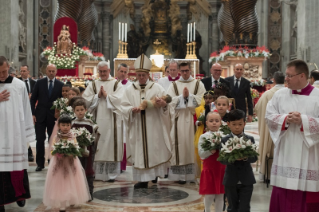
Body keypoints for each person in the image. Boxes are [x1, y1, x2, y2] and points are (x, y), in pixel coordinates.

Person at [266, 60, 319, 211]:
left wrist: (303, 121)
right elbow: (269, 117)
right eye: (285, 75)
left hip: (310, 155)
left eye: (289, 75)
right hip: (286, 153)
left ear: (302, 76)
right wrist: (285, 119)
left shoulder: (318, 95)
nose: (286, 79)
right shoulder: (279, 95)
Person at [121, 54, 172, 189]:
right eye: (139, 75)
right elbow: (123, 106)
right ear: (136, 75)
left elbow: (166, 104)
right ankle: (143, 180)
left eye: (143, 75)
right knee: (140, 151)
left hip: (153, 124)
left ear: (148, 74)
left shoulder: (157, 88)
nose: (141, 77)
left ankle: (154, 175)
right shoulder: (130, 89)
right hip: (137, 125)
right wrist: (131, 110)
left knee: (154, 149)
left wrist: (162, 104)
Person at [0, 56, 34, 212]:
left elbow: (26, 110)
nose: (1, 75)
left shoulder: (19, 85)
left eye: (4, 71)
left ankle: (19, 196)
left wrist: (27, 134)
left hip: (14, 134)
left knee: (16, 168)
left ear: (9, 69)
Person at [82, 61, 124, 182]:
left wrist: (107, 96)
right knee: (97, 145)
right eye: (100, 71)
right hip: (96, 120)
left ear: (109, 71)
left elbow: (121, 100)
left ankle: (111, 175)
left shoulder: (116, 84)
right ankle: (96, 173)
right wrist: (97, 96)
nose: (102, 73)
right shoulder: (93, 84)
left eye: (105, 71)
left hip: (112, 122)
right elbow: (85, 100)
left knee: (110, 145)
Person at [167, 62, 206, 184]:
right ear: (179, 71)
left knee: (191, 145)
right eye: (182, 71)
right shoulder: (174, 85)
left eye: (187, 71)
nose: (184, 73)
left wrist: (189, 96)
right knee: (180, 145)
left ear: (190, 70)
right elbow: (169, 101)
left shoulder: (198, 84)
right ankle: (180, 177)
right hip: (178, 120)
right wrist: (181, 98)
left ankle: (192, 176)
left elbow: (203, 100)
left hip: (193, 119)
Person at [43, 115, 90, 212]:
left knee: (71, 180)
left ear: (71, 125)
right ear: (59, 126)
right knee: (60, 182)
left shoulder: (72, 136)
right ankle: (62, 203)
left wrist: (71, 151)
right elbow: (52, 150)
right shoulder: (57, 137)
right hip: (59, 163)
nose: (65, 127)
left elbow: (76, 147)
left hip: (70, 162)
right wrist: (58, 151)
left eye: (68, 125)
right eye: (63, 125)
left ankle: (71, 199)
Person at [220, 109, 257, 212]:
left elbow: (254, 158)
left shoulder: (249, 139)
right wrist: (233, 158)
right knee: (232, 207)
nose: (237, 127)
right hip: (231, 179)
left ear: (244, 123)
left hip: (247, 179)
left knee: (245, 208)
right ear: (228, 124)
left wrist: (245, 157)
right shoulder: (225, 140)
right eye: (234, 124)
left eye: (240, 124)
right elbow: (222, 160)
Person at [31, 64, 64, 171]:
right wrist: (33, 113)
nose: (51, 73)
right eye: (49, 71)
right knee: (40, 139)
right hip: (40, 115)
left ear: (56, 71)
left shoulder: (60, 84)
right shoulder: (39, 83)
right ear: (46, 71)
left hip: (53, 116)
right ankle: (40, 163)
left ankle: (51, 162)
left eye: (53, 71)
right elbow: (33, 99)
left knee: (52, 139)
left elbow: (63, 101)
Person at [255, 71, 285, 181]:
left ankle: (268, 174)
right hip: (285, 130)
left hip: (269, 132)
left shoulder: (267, 94)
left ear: (274, 80)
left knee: (269, 149)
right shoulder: (290, 93)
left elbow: (257, 109)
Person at [71, 98, 98, 201]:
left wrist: (87, 141)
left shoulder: (89, 122)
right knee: (77, 170)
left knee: (88, 169)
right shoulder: (73, 122)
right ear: (74, 111)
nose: (80, 112)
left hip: (88, 151)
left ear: (86, 110)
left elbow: (93, 137)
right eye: (77, 110)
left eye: (82, 110)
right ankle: (78, 192)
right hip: (76, 151)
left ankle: (89, 192)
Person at [198, 112, 226, 212]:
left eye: (216, 121)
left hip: (221, 169)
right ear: (206, 123)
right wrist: (210, 151)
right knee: (209, 194)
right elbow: (201, 154)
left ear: (220, 123)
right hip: (209, 168)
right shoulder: (204, 137)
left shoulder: (224, 136)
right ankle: (207, 210)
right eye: (211, 121)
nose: (214, 123)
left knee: (220, 195)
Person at [194, 90, 214, 178]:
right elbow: (195, 121)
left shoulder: (214, 108)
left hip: (213, 132)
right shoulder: (199, 109)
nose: (208, 100)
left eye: (210, 98)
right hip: (202, 132)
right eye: (206, 98)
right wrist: (199, 122)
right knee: (201, 153)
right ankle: (202, 173)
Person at [116, 63, 132, 173]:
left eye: (125, 72)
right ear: (117, 71)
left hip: (125, 115)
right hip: (115, 114)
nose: (123, 74)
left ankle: (122, 165)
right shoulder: (112, 84)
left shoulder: (131, 85)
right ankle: (116, 164)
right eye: (121, 71)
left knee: (124, 139)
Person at [19, 65, 36, 162]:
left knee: (28, 132)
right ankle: (28, 151)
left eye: (24, 71)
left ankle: (28, 150)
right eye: (21, 71)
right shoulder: (16, 82)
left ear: (28, 71)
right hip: (21, 110)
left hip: (31, 109)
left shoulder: (34, 83)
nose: (22, 73)